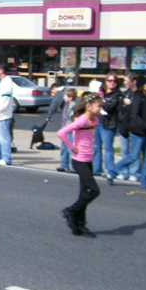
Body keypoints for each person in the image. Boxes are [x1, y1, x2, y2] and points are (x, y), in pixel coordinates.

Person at [57, 92, 103, 238]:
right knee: (94, 190)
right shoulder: (81, 121)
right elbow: (62, 133)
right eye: (99, 106)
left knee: (84, 193)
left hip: (88, 159)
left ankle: (78, 225)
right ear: (88, 107)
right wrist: (71, 147)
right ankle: (71, 210)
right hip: (79, 161)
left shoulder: (94, 120)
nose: (100, 108)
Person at [107, 75, 146, 188]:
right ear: (142, 85)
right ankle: (112, 172)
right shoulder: (138, 97)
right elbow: (135, 116)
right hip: (137, 132)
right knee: (133, 156)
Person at [93, 73, 123, 178]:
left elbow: (110, 107)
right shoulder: (101, 91)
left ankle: (109, 171)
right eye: (110, 80)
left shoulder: (117, 94)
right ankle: (96, 169)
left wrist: (101, 102)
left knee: (108, 148)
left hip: (109, 124)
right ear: (106, 81)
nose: (112, 83)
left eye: (114, 81)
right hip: (97, 122)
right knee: (96, 147)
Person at [114, 74, 138, 181]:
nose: (125, 82)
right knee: (124, 150)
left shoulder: (138, 95)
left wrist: (127, 107)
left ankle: (134, 173)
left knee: (134, 151)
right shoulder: (124, 94)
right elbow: (120, 107)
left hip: (135, 126)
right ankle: (124, 172)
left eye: (127, 80)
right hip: (124, 125)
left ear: (134, 81)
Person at [56, 88, 78, 173]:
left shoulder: (75, 107)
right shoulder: (66, 106)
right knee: (64, 148)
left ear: (70, 97)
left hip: (70, 131)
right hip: (64, 130)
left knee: (70, 149)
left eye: (65, 96)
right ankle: (64, 165)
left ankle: (73, 167)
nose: (64, 98)